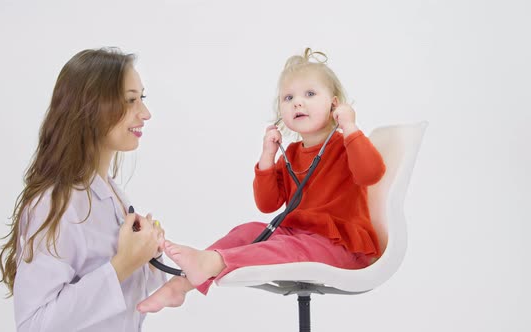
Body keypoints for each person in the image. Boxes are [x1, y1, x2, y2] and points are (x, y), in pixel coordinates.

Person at [137, 48, 386, 313]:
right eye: (288, 97)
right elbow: (267, 204)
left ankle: (211, 263)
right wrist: (267, 156)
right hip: (298, 237)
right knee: (248, 231)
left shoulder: (345, 144)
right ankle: (180, 286)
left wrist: (350, 127)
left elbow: (371, 173)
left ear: (335, 105)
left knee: (284, 245)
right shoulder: (290, 154)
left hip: (342, 248)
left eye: (310, 94)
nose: (298, 103)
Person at [0, 48, 166, 331]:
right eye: (131, 100)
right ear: (92, 107)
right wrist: (122, 265)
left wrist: (150, 256)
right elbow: (33, 324)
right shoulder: (55, 203)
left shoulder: (111, 193)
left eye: (142, 98)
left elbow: (126, 302)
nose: (145, 113)